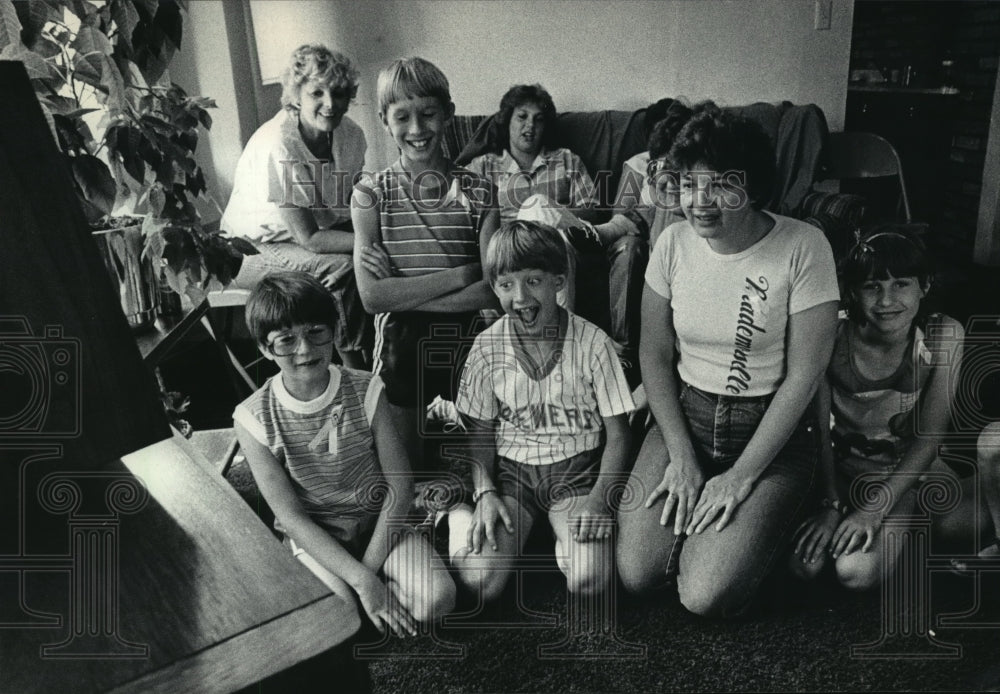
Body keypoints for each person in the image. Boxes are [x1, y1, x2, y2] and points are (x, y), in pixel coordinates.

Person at [615, 109, 841, 618]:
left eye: (720, 185)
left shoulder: (804, 246)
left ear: (754, 185)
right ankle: (730, 523)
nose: (699, 201)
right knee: (637, 573)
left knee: (704, 595)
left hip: (771, 436)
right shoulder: (671, 242)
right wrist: (682, 456)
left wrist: (740, 477)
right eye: (689, 184)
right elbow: (653, 354)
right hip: (687, 422)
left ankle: (773, 515)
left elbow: (805, 377)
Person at [232, 272, 456, 636]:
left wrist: (365, 572)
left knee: (438, 601)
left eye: (316, 332)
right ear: (264, 348)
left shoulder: (367, 387)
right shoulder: (252, 417)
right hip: (318, 538)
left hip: (378, 525)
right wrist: (360, 582)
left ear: (335, 331)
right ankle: (366, 595)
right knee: (338, 621)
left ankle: (379, 587)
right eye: (286, 340)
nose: (304, 350)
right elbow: (291, 519)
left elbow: (400, 484)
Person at [791, 229, 991, 588]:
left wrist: (875, 509)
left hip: (906, 471)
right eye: (872, 286)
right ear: (852, 290)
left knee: (855, 573)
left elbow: (929, 440)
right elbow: (818, 429)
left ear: (925, 286)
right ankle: (908, 531)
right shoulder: (832, 333)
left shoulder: (943, 334)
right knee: (804, 566)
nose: (887, 300)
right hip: (839, 469)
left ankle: (913, 520)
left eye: (901, 284)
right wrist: (830, 502)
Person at [446, 220, 634, 601]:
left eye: (533, 281)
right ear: (495, 288)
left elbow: (619, 435)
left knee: (590, 581)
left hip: (576, 471)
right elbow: (479, 434)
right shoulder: (486, 348)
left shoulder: (593, 342)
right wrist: (484, 492)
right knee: (480, 583)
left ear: (558, 281)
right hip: (514, 474)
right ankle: (455, 516)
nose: (521, 297)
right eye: (507, 285)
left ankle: (558, 540)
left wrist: (598, 500)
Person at [350, 57, 500, 470]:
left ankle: (472, 485)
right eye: (402, 117)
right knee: (406, 473)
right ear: (384, 120)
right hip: (404, 342)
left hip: (469, 332)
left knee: (488, 471)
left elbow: (493, 289)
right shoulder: (370, 194)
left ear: (448, 113)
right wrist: (463, 273)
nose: (416, 130)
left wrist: (403, 295)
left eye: (428, 114)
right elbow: (372, 297)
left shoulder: (481, 191)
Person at [221, 44, 369, 370]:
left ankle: (385, 351)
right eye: (318, 93)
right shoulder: (281, 143)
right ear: (297, 95)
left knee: (383, 252)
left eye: (340, 93)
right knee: (342, 268)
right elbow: (310, 239)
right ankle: (354, 369)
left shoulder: (352, 135)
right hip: (249, 248)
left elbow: (354, 206)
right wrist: (372, 241)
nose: (330, 104)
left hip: (314, 232)